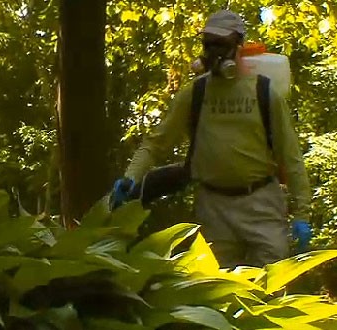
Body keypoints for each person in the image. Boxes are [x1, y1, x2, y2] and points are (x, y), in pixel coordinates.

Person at [112, 10, 312, 268]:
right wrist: (131, 176)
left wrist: (302, 214)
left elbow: (291, 156)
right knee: (217, 290)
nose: (214, 52)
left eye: (222, 45)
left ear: (238, 46)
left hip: (261, 203)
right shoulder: (195, 93)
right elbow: (156, 143)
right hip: (213, 206)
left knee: (269, 288)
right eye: (208, 45)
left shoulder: (264, 92)